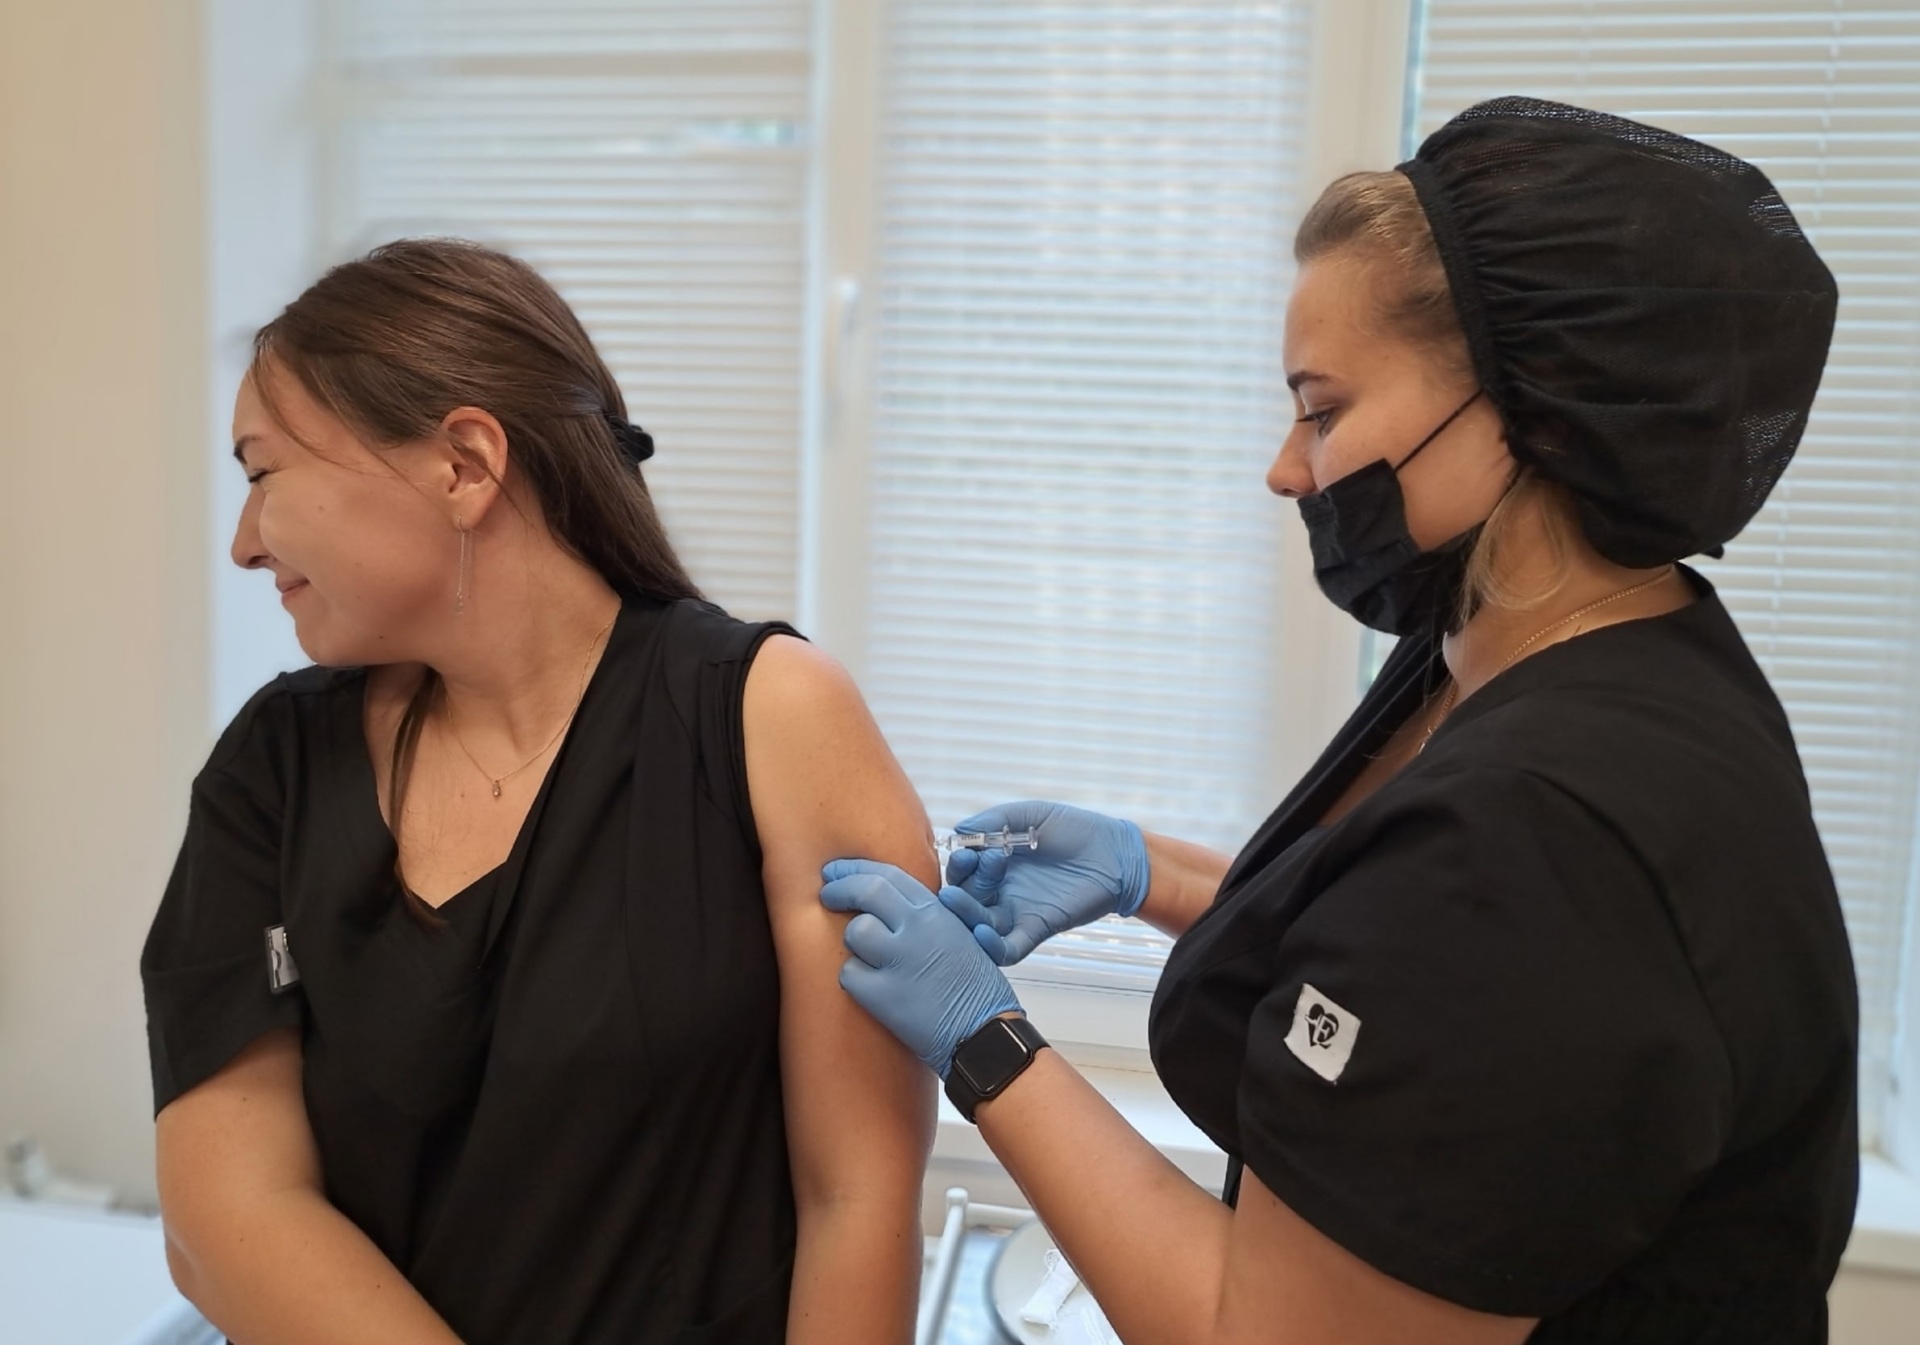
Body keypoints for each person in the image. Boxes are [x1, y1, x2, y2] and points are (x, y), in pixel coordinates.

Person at [821, 98, 1857, 1343]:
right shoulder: (1555, 638)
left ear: (1533, 415)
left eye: (1322, 411)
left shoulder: (1547, 832)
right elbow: (1427, 989)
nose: (1287, 468)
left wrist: (983, 1042)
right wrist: (1153, 875)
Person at [141, 239, 936, 1344]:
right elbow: (227, 1214)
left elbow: (857, 1199)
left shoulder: (771, 719)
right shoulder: (273, 765)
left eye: (263, 473)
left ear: (464, 464)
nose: (242, 544)